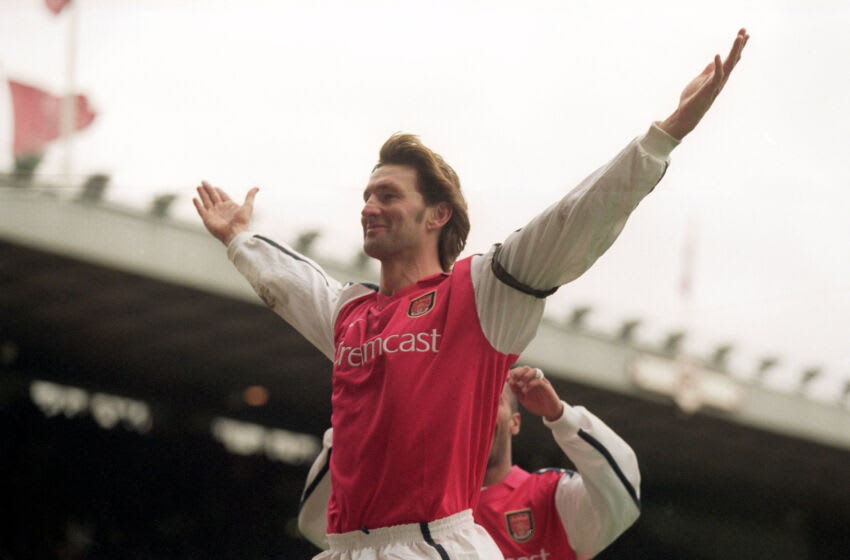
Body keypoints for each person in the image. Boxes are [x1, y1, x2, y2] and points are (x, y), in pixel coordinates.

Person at [193, 29, 749, 559]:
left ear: (438, 214)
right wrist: (241, 239)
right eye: (366, 195)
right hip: (347, 548)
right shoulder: (351, 313)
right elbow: (294, 286)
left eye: (388, 194)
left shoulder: (482, 293)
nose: (369, 206)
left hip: (433, 545)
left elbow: (574, 221)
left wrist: (663, 136)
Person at [298, 366, 641, 560]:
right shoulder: (408, 505)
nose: (474, 414)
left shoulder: (550, 497)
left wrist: (561, 417)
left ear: (516, 422)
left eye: (489, 402)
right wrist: (354, 428)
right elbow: (317, 526)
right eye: (463, 403)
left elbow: (623, 496)